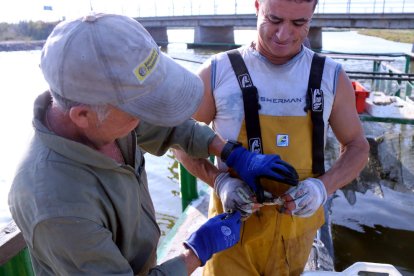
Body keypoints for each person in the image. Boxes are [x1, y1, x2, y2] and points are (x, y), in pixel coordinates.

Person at [8, 13, 301, 275]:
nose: (146, 117)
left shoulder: (106, 114)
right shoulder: (56, 206)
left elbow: (170, 127)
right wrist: (195, 253)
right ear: (83, 115)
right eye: (140, 111)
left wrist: (229, 152)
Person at [173, 0, 370, 275]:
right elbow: (179, 139)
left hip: (296, 236)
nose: (283, 35)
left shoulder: (331, 76)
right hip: (231, 233)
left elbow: (358, 146)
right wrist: (220, 182)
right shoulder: (217, 71)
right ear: (256, 6)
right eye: (274, 20)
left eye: (299, 23)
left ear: (312, 14)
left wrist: (322, 188)